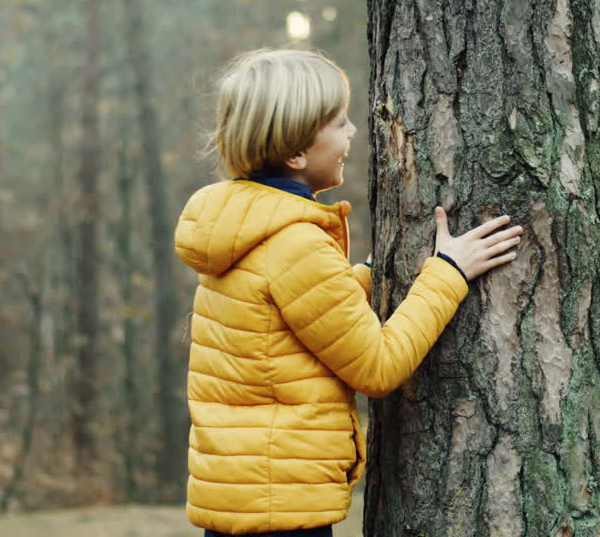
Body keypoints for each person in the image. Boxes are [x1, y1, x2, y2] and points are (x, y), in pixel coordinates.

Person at [174, 49, 523, 537]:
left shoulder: (242, 226)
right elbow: (377, 367)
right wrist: (449, 273)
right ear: (296, 153)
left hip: (249, 495)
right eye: (339, 124)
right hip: (280, 509)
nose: (353, 132)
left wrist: (370, 277)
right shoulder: (293, 243)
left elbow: (289, 324)